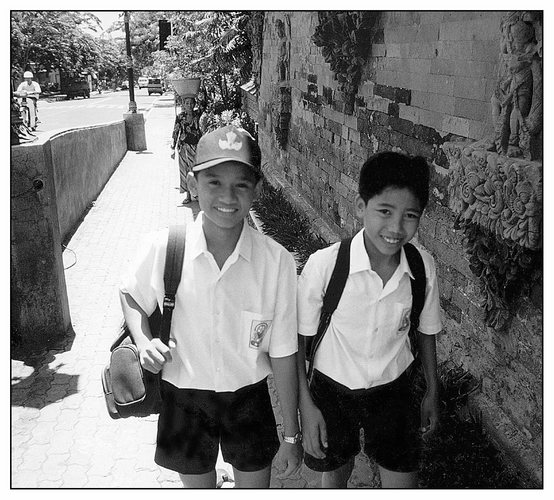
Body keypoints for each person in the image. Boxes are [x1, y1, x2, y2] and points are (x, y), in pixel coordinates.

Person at [120, 125, 302, 488]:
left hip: (248, 396)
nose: (227, 196)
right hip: (183, 396)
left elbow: (283, 351)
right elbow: (131, 295)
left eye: (241, 184)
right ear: (193, 182)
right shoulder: (166, 247)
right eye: (214, 182)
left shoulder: (276, 262)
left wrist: (292, 437)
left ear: (258, 189)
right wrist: (143, 343)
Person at [297, 151, 442, 488]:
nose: (395, 228)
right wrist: (306, 406)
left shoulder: (422, 268)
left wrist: (433, 390)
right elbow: (296, 344)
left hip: (396, 390)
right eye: (385, 211)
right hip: (332, 390)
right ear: (361, 207)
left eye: (410, 216)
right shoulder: (326, 266)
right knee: (334, 478)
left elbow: (426, 332)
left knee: (403, 480)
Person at [171, 95, 203, 205]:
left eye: (191, 103)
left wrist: (200, 90)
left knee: (196, 171)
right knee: (185, 172)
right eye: (187, 103)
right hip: (183, 148)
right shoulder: (180, 117)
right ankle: (188, 195)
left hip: (195, 146)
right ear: (183, 105)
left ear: (194, 104)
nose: (189, 105)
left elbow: (204, 102)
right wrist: (172, 147)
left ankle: (197, 194)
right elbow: (176, 132)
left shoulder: (197, 114)